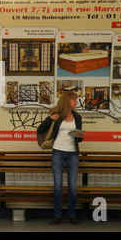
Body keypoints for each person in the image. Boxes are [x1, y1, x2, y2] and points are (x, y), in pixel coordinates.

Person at [37, 91, 84, 226]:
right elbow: (40, 130)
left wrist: (80, 136)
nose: (76, 102)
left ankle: (72, 216)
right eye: (74, 100)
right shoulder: (56, 115)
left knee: (72, 187)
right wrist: (50, 119)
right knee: (58, 186)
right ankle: (57, 216)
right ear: (67, 101)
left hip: (73, 153)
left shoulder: (77, 117)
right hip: (57, 152)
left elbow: (78, 140)